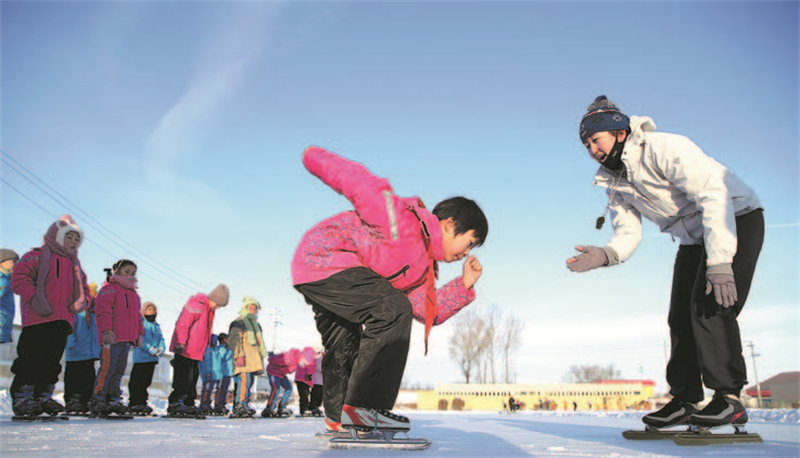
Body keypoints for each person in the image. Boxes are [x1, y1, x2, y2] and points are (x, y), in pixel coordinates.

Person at [567, 96, 764, 429]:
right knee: (679, 318)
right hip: (693, 239)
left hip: (735, 218)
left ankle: (729, 399)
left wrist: (719, 264)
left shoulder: (663, 148)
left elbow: (714, 194)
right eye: (585, 145)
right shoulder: (614, 180)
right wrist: (607, 254)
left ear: (617, 131)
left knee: (709, 306)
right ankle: (685, 400)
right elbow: (627, 229)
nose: (591, 149)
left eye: (594, 140)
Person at [291, 146, 488, 432]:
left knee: (344, 341)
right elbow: (360, 183)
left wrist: (464, 285)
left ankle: (338, 417)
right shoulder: (402, 220)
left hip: (322, 277)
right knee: (393, 308)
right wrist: (313, 157)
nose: (466, 252)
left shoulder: (423, 271)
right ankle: (364, 407)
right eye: (469, 242)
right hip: (325, 257)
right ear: (450, 225)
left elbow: (424, 309)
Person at [9, 215, 90, 417]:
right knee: (32, 356)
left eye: (76, 239)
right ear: (56, 235)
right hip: (38, 318)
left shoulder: (75, 265)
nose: (73, 242)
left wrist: (81, 303)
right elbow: (20, 278)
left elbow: (84, 290)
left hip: (62, 320)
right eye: (69, 237)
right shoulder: (36, 255)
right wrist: (35, 299)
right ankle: (23, 394)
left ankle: (43, 395)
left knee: (52, 360)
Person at [91, 259, 145, 416]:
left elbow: (137, 317)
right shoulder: (110, 289)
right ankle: (99, 397)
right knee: (107, 368)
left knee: (119, 369)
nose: (130, 275)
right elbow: (103, 311)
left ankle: (113, 397)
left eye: (133, 273)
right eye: (126, 271)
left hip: (126, 339)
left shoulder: (134, 295)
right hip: (112, 338)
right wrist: (106, 331)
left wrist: (139, 334)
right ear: (117, 271)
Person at [168, 284, 229, 415]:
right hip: (185, 349)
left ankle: (188, 402)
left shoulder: (208, 310)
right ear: (214, 299)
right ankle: (176, 401)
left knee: (193, 378)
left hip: (196, 352)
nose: (217, 308)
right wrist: (181, 342)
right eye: (217, 304)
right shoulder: (197, 305)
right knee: (183, 377)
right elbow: (183, 324)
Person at [64, 283, 100, 414]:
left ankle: (86, 399)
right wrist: (70, 345)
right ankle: (73, 400)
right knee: (74, 377)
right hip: (76, 351)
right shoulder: (77, 311)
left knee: (89, 377)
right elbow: (70, 329)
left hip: (90, 353)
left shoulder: (94, 314)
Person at [228, 296, 266, 417]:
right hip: (243, 358)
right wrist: (238, 355)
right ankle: (240, 404)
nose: (253, 310)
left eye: (255, 308)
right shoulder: (238, 323)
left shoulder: (256, 325)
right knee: (244, 381)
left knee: (249, 383)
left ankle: (244, 403)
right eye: (250, 308)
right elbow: (235, 340)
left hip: (253, 359)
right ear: (245, 308)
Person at [128, 301, 165, 415]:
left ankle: (142, 402)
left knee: (146, 381)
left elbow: (161, 339)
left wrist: (160, 349)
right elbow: (139, 338)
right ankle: (134, 402)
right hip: (141, 357)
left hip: (152, 359)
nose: (151, 312)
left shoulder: (156, 326)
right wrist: (150, 349)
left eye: (153, 310)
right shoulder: (141, 323)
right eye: (149, 310)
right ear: (144, 311)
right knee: (137, 381)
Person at [263, 347, 308, 418]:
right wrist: (271, 356)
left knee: (289, 387)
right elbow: (274, 360)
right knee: (276, 388)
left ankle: (283, 405)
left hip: (281, 374)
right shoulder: (289, 358)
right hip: (273, 372)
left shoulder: (297, 362)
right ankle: (270, 406)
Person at [198, 334, 222, 415]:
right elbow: (206, 362)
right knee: (207, 388)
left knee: (211, 389)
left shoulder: (216, 350)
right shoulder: (207, 350)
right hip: (208, 373)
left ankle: (207, 403)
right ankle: (204, 403)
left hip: (215, 373)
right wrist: (207, 371)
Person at [0, 249, 20, 344]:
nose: (17, 264)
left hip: (4, 329)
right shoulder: (2, 280)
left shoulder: (7, 280)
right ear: (1, 263)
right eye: (13, 261)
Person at [293, 346, 317, 416]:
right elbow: (310, 368)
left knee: (302, 396)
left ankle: (302, 410)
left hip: (298, 379)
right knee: (305, 395)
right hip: (305, 380)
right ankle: (304, 410)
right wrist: (309, 377)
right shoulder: (310, 358)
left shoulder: (301, 357)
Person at [215, 332, 233, 415]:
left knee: (225, 389)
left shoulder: (225, 348)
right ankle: (218, 404)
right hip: (222, 372)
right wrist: (230, 350)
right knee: (220, 389)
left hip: (228, 372)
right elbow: (224, 357)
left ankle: (222, 403)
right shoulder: (221, 349)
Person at [308, 348, 324, 417]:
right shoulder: (318, 359)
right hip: (317, 381)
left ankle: (317, 406)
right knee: (316, 395)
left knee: (320, 395)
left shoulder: (322, 359)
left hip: (321, 381)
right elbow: (319, 368)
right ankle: (313, 407)